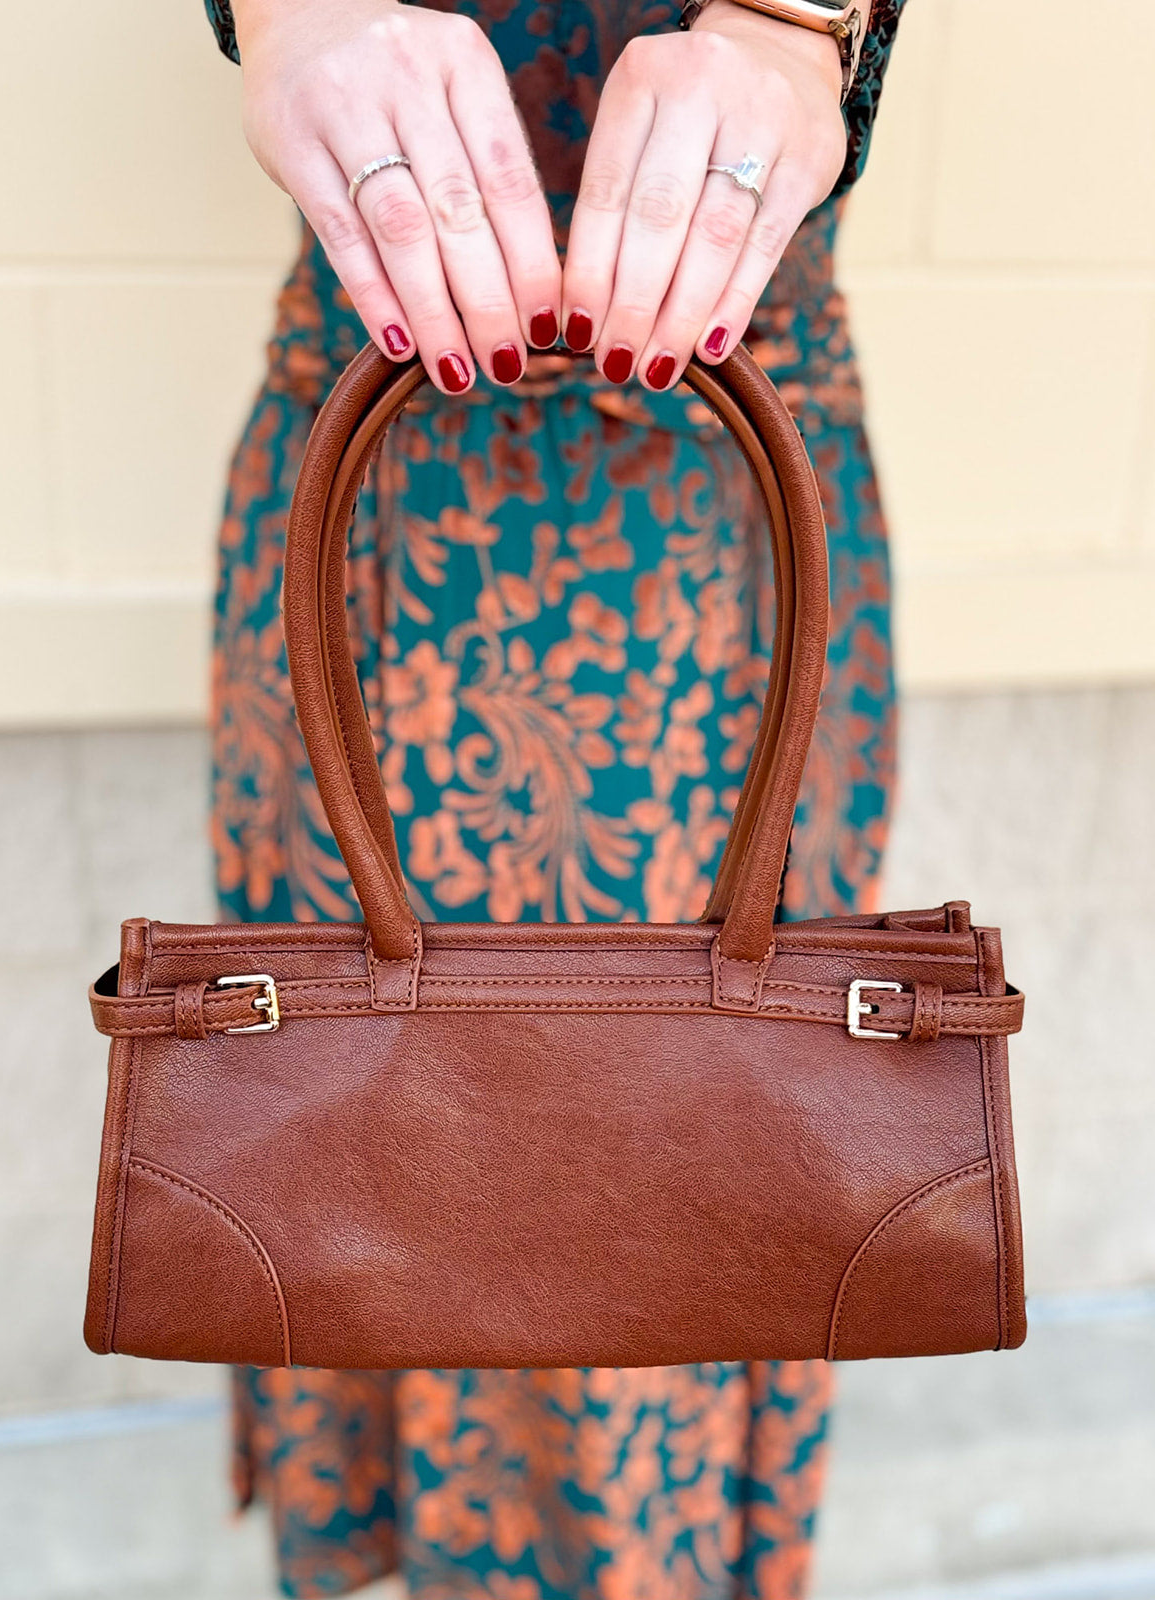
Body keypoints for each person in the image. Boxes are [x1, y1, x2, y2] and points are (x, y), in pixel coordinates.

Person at [206, 0, 905, 1593]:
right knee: (358, 1103)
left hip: (727, 503)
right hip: (365, 466)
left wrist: (797, 27)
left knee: (675, 1138)